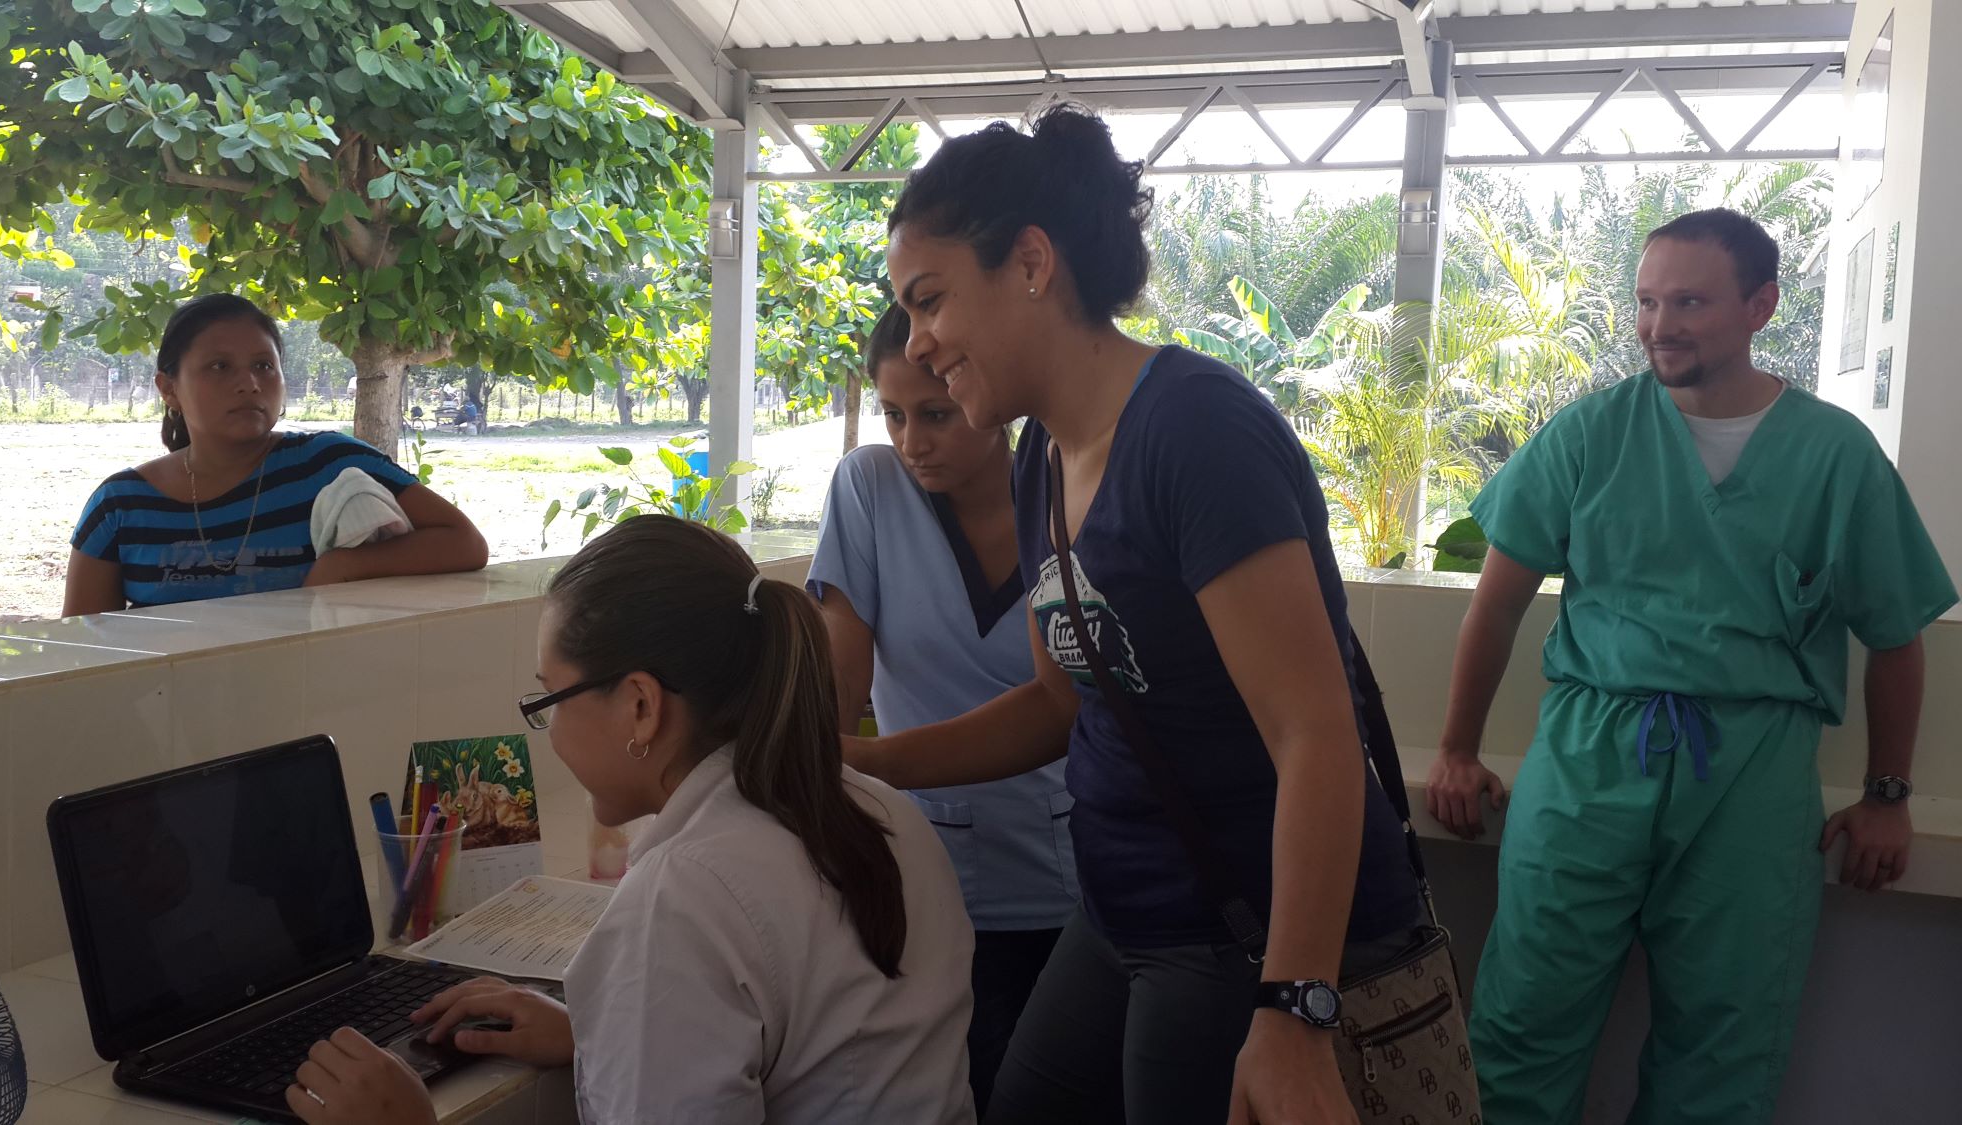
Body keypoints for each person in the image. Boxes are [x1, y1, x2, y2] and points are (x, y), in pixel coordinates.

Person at [852, 103, 1423, 1125]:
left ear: (1030, 262)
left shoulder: (1191, 430)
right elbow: (1057, 701)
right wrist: (858, 765)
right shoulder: (1038, 461)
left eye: (928, 299)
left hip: (1236, 928)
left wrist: (1292, 1010)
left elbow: (1314, 736)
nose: (919, 341)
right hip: (1120, 911)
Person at [1425, 208, 1956, 1125]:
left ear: (1761, 306)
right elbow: (1499, 601)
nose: (1659, 325)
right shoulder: (1592, 432)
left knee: (1725, 1041)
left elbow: (1895, 636)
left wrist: (1888, 792)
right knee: (1522, 1024)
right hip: (1589, 755)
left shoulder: (1835, 456)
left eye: (1690, 301)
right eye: (1646, 301)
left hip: (1752, 769)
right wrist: (1457, 747)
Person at [282, 514, 976, 1125]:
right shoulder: (880, 811)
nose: (548, 730)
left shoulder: (684, 897)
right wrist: (606, 1031)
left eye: (550, 698)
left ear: (641, 705)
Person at [810, 304, 1078, 1115]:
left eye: (934, 413)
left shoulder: (1064, 484)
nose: (910, 441)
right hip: (928, 882)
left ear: (987, 394)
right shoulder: (868, 488)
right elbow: (837, 683)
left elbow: (1060, 705)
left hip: (1072, 879)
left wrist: (873, 760)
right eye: (892, 414)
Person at [63, 295, 487, 616]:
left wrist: (340, 568)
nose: (248, 383)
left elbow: (465, 544)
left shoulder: (329, 464)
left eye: (264, 366)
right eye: (219, 367)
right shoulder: (120, 506)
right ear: (168, 389)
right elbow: (86, 656)